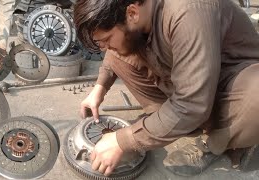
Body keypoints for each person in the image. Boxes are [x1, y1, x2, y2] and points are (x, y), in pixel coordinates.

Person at [74, 0, 259, 177]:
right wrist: (100, 87)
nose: (105, 47)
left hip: (231, 81)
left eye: (106, 39)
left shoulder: (187, 12)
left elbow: (192, 104)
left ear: (132, 13)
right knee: (118, 55)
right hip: (192, 76)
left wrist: (124, 140)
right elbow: (114, 52)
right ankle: (172, 123)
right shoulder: (137, 12)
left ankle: (212, 142)